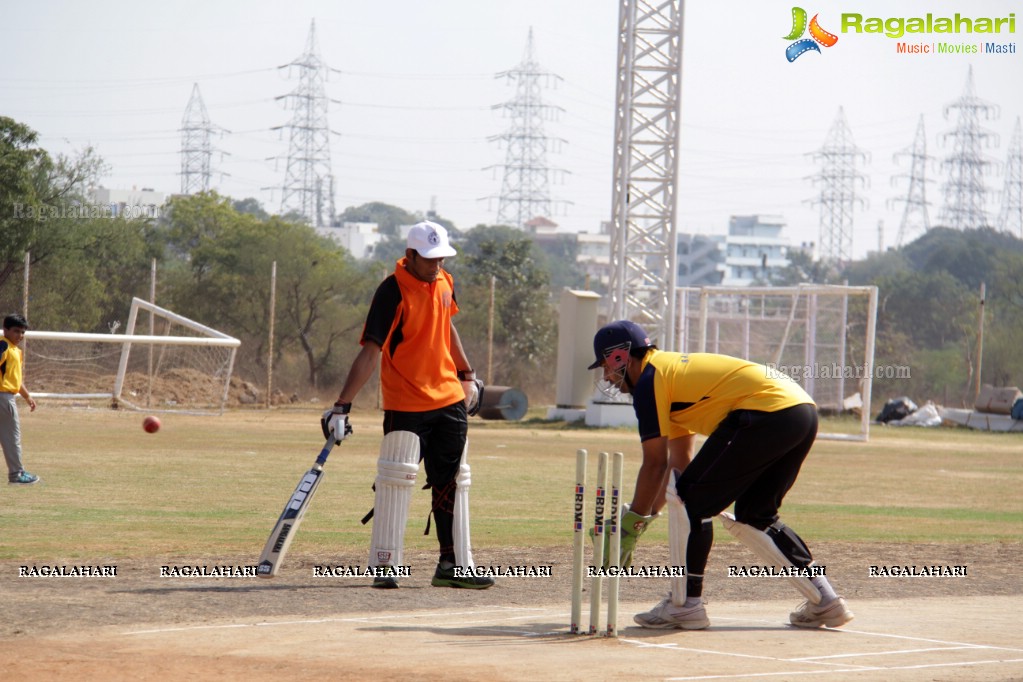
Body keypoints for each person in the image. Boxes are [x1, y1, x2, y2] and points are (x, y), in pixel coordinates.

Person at [588, 319, 853, 630]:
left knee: (693, 502)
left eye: (606, 365)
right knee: (755, 513)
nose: (606, 375)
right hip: (799, 411)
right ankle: (826, 601)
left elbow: (656, 464)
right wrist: (646, 517)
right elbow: (678, 466)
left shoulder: (650, 379)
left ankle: (686, 604)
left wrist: (632, 524)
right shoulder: (669, 377)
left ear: (620, 356)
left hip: (765, 411)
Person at [321, 221, 493, 590]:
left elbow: (447, 327)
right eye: (429, 258)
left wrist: (467, 373)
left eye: (441, 257)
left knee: (449, 484)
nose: (436, 264)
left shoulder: (444, 281)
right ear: (410, 255)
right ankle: (385, 564)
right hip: (406, 403)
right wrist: (342, 405)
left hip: (448, 399)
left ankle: (450, 564)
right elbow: (370, 353)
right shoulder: (391, 291)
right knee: (394, 482)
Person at [2, 313, 40, 486]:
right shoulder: (3, 346)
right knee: (12, 436)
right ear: (6, 330)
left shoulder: (16, 351)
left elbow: (16, 380)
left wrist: (27, 396)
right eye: (16, 331)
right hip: (3, 398)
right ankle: (17, 475)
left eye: (23, 332)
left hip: (7, 395)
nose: (20, 336)